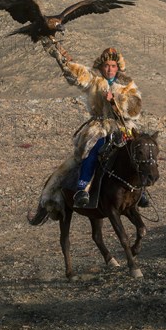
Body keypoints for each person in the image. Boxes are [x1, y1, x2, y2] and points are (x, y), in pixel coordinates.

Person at [43, 40, 144, 208]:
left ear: (118, 67)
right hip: (100, 126)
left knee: (138, 152)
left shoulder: (128, 84)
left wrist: (116, 99)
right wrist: (60, 55)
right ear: (101, 66)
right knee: (92, 148)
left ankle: (140, 190)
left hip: (122, 126)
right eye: (106, 65)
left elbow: (135, 109)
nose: (109, 69)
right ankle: (82, 188)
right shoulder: (94, 79)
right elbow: (76, 74)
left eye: (113, 65)